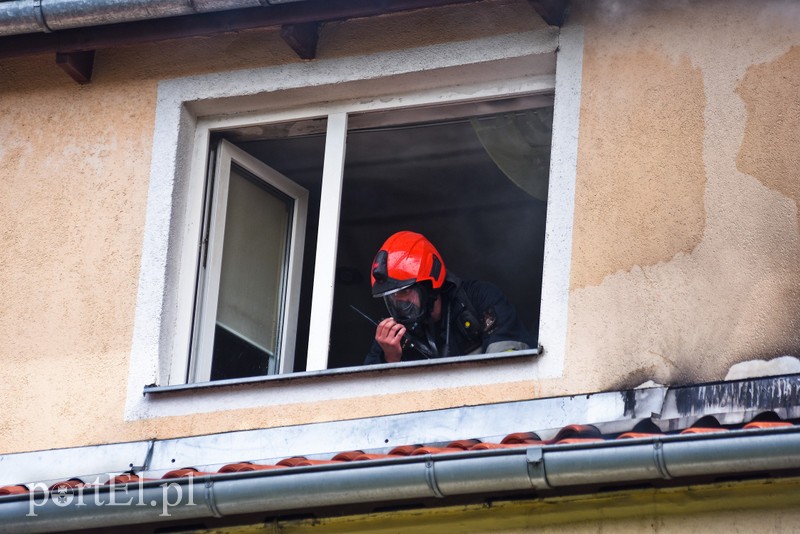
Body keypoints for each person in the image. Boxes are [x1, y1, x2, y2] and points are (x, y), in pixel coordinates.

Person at [364, 231, 536, 365]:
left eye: (405, 292)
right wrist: (390, 359)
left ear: (429, 286)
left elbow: (509, 366)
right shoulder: (391, 338)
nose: (399, 302)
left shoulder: (479, 298)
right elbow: (368, 398)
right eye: (391, 297)